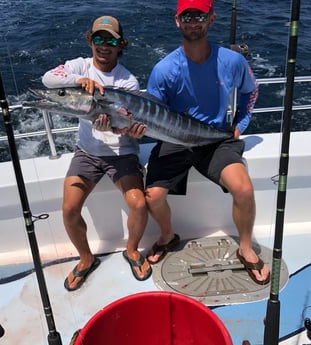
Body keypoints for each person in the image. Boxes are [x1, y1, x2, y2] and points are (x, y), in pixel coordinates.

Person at [144, 0, 271, 285]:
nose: (193, 22)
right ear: (177, 21)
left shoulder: (233, 61)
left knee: (244, 188)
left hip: (216, 139)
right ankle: (167, 235)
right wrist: (133, 129)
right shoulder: (164, 70)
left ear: (211, 19)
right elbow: (152, 113)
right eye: (186, 16)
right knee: (152, 196)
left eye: (199, 16)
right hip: (177, 139)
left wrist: (240, 125)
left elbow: (251, 92)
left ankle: (246, 248)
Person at [42, 15, 151, 291]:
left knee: (138, 203)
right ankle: (86, 258)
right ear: (91, 40)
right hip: (87, 152)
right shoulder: (80, 65)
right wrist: (79, 80)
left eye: (111, 40)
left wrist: (120, 129)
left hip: (122, 152)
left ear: (120, 44)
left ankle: (133, 250)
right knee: (69, 208)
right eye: (99, 39)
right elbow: (48, 79)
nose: (104, 45)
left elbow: (125, 124)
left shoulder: (128, 81)